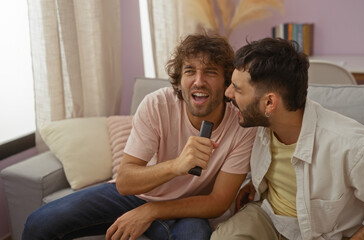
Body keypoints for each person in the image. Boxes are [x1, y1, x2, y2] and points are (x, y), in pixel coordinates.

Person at [22, 34, 257, 240]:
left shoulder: (242, 124)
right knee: (38, 223)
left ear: (226, 81)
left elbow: (218, 202)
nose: (198, 80)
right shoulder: (158, 104)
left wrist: (151, 211)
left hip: (185, 208)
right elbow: (125, 181)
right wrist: (176, 166)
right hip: (137, 195)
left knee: (195, 235)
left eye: (210, 72)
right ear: (179, 80)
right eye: (190, 71)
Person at [211, 38, 364, 240]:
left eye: (237, 89)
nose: (228, 93)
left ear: (269, 103)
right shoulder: (261, 124)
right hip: (271, 216)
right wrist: (256, 184)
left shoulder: (352, 147)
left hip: (320, 233)